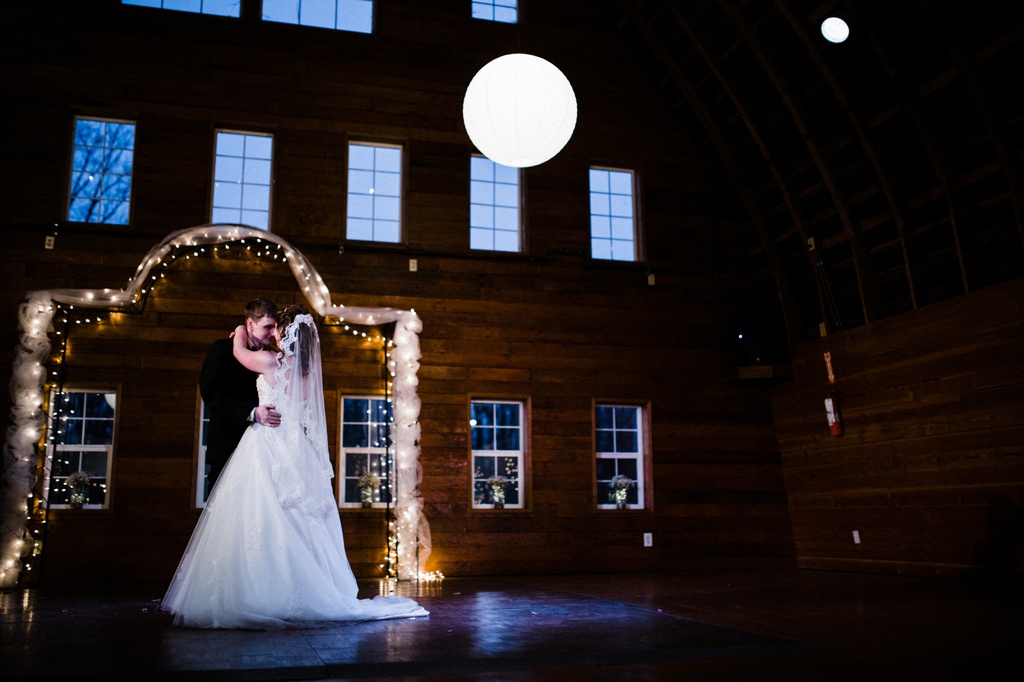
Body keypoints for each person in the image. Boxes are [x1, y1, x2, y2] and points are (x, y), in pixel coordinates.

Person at [162, 304, 428, 628]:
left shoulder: (272, 362)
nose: (273, 333)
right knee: (296, 521)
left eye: (277, 328)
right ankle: (300, 590)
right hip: (295, 448)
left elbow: (240, 354)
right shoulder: (305, 370)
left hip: (268, 443)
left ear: (286, 334)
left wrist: (240, 335)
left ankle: (264, 592)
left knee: (264, 516)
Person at [199, 298, 282, 493]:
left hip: (264, 451)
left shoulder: (274, 357)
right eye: (268, 326)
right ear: (250, 324)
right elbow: (210, 392)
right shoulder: (222, 349)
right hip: (229, 444)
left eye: (275, 327)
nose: (273, 333)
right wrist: (252, 413)